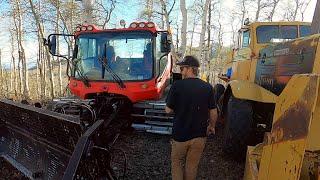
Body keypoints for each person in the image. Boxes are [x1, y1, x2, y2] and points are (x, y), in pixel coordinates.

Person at [165, 56, 217, 180]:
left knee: (177, 163)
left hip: (180, 136)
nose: (181, 71)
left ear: (189, 69)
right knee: (192, 166)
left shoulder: (177, 86)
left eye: (182, 68)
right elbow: (213, 111)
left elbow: (168, 110)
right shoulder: (207, 87)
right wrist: (212, 126)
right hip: (199, 136)